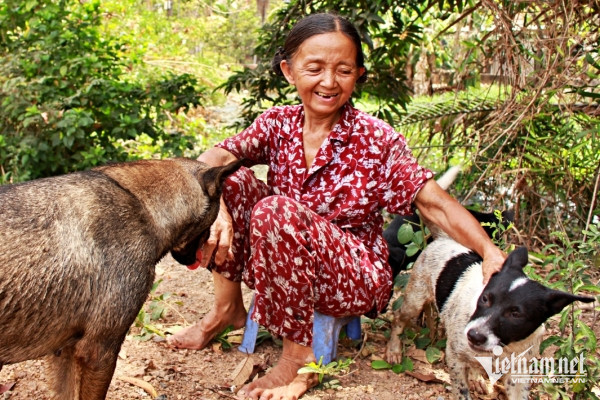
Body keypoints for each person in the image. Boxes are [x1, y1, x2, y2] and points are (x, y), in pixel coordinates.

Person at [167, 12, 506, 400]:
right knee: (231, 178)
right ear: (289, 71)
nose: (329, 82)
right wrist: (221, 207)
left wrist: (488, 251)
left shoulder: (377, 140)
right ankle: (227, 310)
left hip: (353, 271)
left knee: (276, 210)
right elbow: (215, 155)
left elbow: (435, 204)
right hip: (282, 262)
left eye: (343, 70)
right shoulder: (278, 123)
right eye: (314, 68)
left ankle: (298, 361)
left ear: (357, 75)